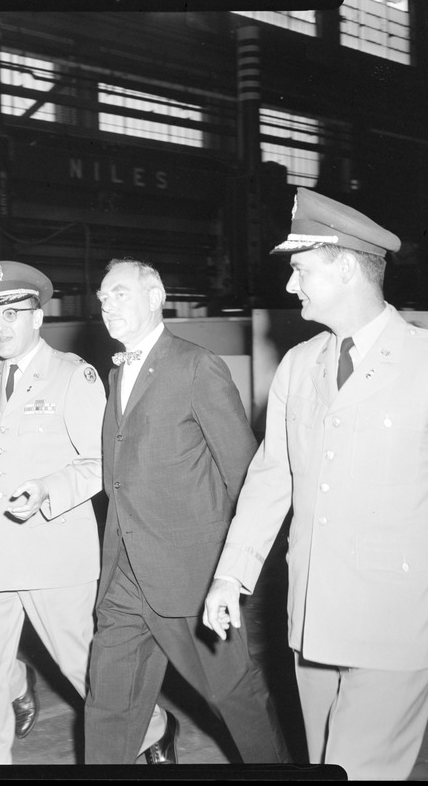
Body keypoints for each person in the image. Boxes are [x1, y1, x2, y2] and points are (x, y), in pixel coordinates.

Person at [203, 188, 428, 779]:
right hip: (313, 617)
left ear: (347, 266)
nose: (289, 286)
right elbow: (272, 478)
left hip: (399, 619)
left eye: (300, 270)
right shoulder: (300, 367)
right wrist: (232, 573)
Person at [84, 258, 290, 765]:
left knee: (233, 695)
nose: (108, 306)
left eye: (121, 294)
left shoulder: (196, 366)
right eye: (103, 300)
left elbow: (246, 475)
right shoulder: (117, 374)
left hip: (191, 575)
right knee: (108, 702)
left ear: (156, 296)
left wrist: (232, 572)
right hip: (124, 574)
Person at [0, 261, 107, 764]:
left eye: (12, 314)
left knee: (83, 668)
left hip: (54, 554)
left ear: (37, 318)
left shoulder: (72, 375)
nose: (0, 326)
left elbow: (102, 461)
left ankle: (151, 730)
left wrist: (48, 488)